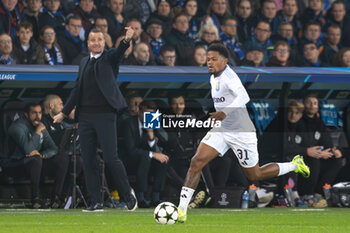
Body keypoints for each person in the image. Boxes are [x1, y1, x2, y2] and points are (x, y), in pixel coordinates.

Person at [177, 43, 310, 223]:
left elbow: (244, 96)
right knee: (196, 162)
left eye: (214, 59)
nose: (209, 62)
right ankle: (181, 210)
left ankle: (295, 164)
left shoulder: (229, 76)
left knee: (255, 175)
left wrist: (224, 113)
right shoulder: (213, 76)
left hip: (242, 132)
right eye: (208, 59)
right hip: (222, 129)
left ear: (225, 61)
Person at [53, 27, 138, 212]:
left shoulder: (109, 58)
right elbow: (77, 90)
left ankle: (128, 195)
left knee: (110, 157)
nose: (96, 43)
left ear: (104, 42)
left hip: (106, 115)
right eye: (93, 40)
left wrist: (126, 40)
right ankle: (95, 202)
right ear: (88, 43)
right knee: (89, 159)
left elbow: (119, 51)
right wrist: (64, 113)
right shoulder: (83, 62)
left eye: (99, 40)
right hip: (85, 117)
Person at [3, 103, 68, 209]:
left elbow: (53, 148)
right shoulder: (17, 127)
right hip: (14, 165)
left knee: (62, 157)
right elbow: (29, 150)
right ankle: (36, 198)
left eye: (39, 113)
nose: (37, 116)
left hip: (35, 163)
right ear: (26, 114)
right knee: (35, 160)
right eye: (34, 113)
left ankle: (56, 198)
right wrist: (37, 133)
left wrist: (43, 155)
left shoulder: (40, 125)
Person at [119, 100, 169, 208]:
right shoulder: (128, 123)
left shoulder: (153, 121)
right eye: (147, 114)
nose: (149, 116)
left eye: (151, 114)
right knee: (146, 157)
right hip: (130, 160)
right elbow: (131, 150)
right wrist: (152, 154)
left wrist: (151, 136)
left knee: (163, 160)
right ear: (140, 111)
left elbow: (165, 139)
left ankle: (156, 197)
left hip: (146, 159)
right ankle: (140, 197)